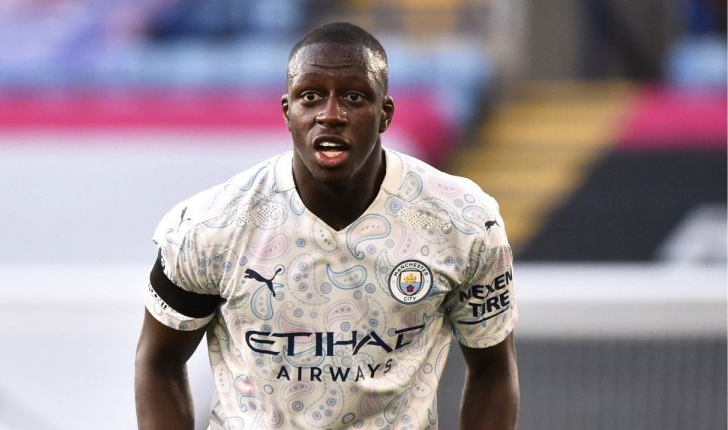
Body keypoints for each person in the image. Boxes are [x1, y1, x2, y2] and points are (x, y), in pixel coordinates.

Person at [135, 22, 519, 430]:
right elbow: (158, 361)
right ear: (288, 112)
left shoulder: (460, 221)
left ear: (384, 113)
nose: (331, 115)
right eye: (310, 97)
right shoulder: (212, 226)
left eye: (353, 97)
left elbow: (493, 369)